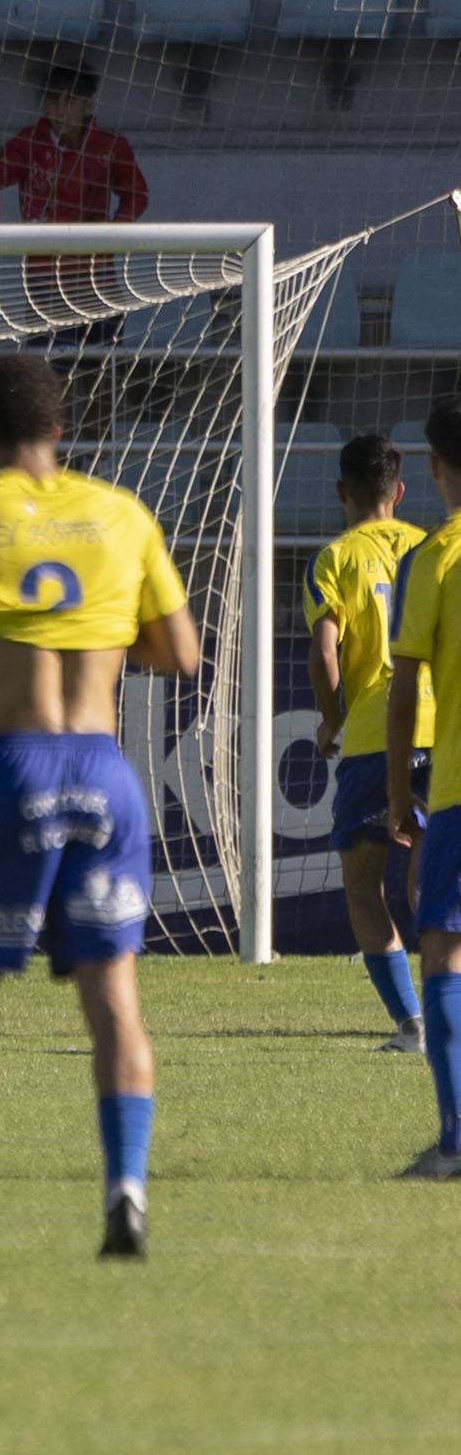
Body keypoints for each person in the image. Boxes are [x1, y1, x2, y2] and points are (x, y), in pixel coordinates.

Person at [0, 355, 199, 1260]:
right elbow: (181, 653)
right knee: (114, 1000)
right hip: (104, 768)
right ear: (62, 428)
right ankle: (125, 1196)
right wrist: (99, 634)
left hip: (9, 766)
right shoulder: (123, 512)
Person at [307, 436, 432, 1053]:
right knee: (435, 879)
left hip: (376, 733)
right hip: (445, 727)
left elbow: (324, 649)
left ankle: (413, 1024)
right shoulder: (432, 547)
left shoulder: (334, 557)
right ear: (400, 491)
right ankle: (449, 1012)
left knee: (364, 880)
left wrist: (331, 719)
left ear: (341, 491)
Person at [383, 400, 461, 1175]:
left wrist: (398, 789)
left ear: (435, 468)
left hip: (460, 792)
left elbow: (405, 689)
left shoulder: (432, 560)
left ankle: (456, 1141)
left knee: (442, 951)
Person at [0, 61, 148, 345]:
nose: (60, 109)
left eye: (69, 100)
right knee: (48, 366)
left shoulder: (110, 145)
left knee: (104, 367)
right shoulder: (30, 142)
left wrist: (113, 230)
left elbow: (137, 194)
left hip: (96, 276)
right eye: (52, 100)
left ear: (86, 105)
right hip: (45, 278)